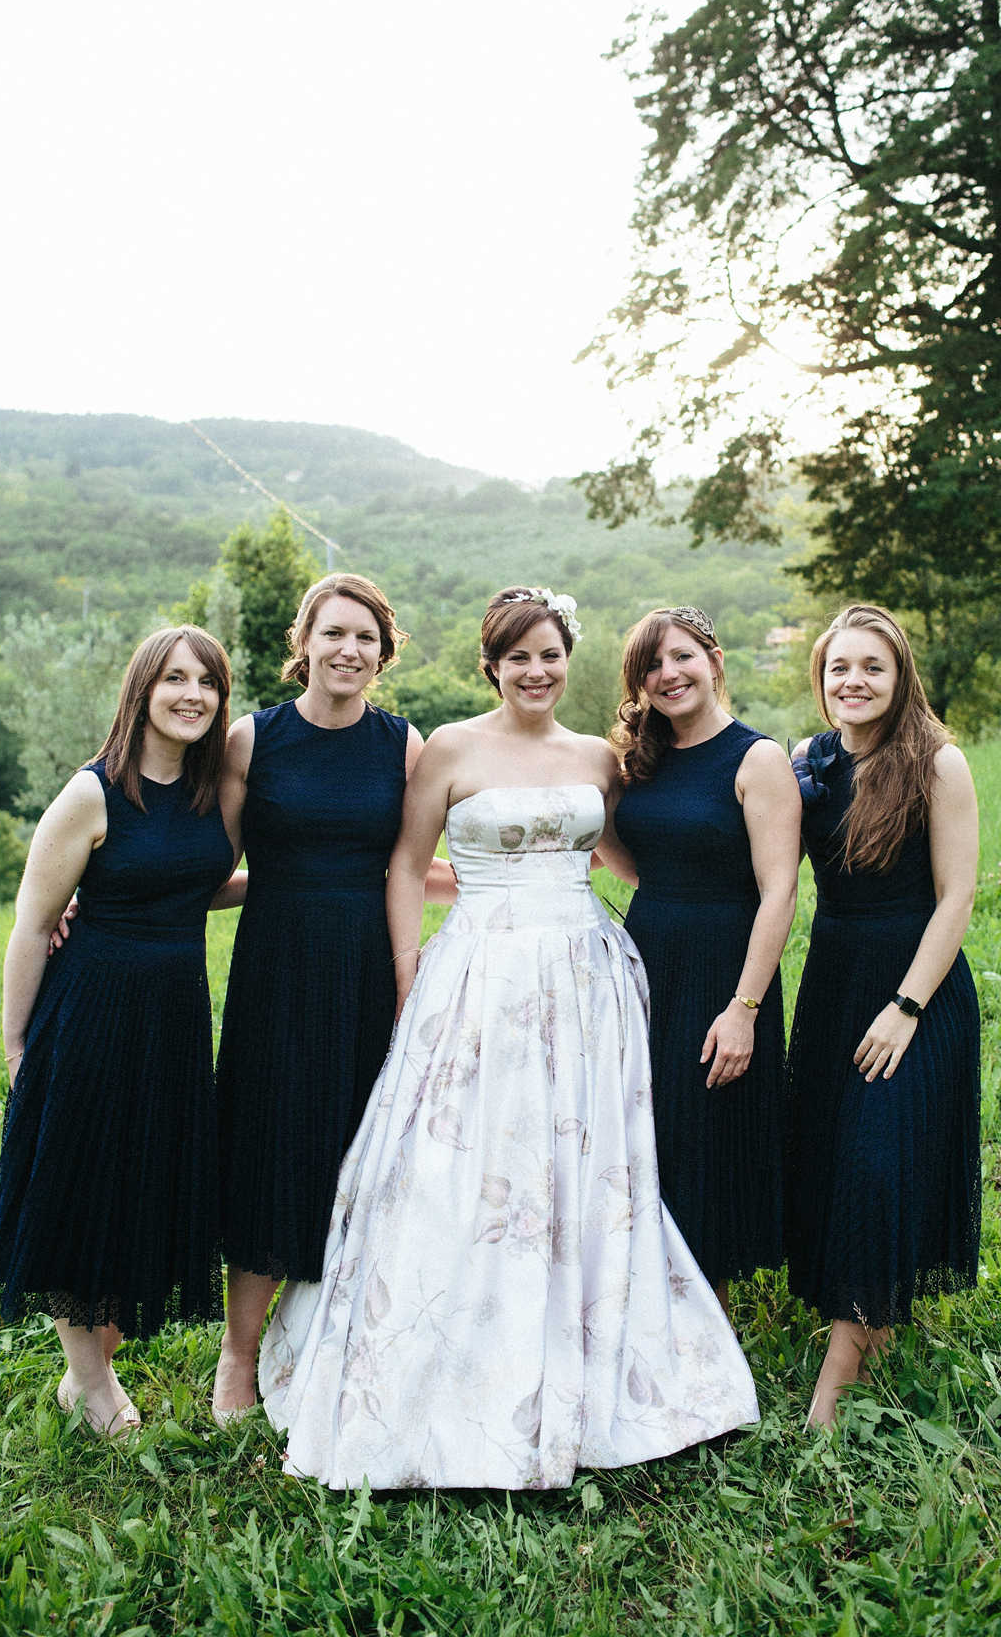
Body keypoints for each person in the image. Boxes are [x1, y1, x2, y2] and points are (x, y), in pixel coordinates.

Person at [257, 586, 758, 1489]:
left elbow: (626, 855)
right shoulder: (449, 747)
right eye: (518, 657)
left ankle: (589, 1335)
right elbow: (407, 866)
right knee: (463, 1157)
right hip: (478, 971)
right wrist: (410, 972)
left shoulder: (600, 759)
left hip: (584, 974)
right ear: (492, 664)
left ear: (571, 663)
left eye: (551, 656)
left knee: (585, 1154)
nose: (536, 671)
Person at [0, 626, 239, 1437]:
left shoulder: (204, 793)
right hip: (90, 1010)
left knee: (141, 1181)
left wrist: (308, 885)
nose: (193, 695)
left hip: (174, 1017)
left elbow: (196, 886)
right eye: (176, 679)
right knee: (78, 1185)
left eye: (208, 682)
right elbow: (32, 922)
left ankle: (88, 1366)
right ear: (142, 691)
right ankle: (91, 1385)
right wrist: (18, 1046)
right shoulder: (92, 794)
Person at [211, 573, 455, 1425]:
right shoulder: (251, 740)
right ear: (304, 640)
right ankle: (239, 1357)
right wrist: (96, 892)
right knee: (270, 1143)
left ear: (383, 656)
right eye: (335, 633)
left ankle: (335, 1337)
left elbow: (415, 864)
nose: (350, 650)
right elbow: (207, 864)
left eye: (367, 639)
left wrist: (526, 878)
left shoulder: (403, 745)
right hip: (277, 967)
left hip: (366, 967)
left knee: (363, 1147)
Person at [786, 604, 980, 1426]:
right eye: (839, 668)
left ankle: (834, 1397)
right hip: (832, 982)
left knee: (877, 1165)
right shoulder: (807, 760)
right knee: (832, 1162)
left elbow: (956, 896)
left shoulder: (938, 763)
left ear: (900, 678)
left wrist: (906, 1004)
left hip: (915, 987)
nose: (853, 682)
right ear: (821, 680)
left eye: (872, 667)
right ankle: (872, 1320)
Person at [607, 607, 801, 1304]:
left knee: (706, 1140)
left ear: (714, 661)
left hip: (726, 966)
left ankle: (704, 1332)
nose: (669, 674)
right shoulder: (641, 760)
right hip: (646, 955)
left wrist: (744, 1008)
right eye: (652, 666)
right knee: (648, 1131)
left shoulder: (757, 759)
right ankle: (647, 1305)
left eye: (682, 657)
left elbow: (780, 892)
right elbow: (626, 856)